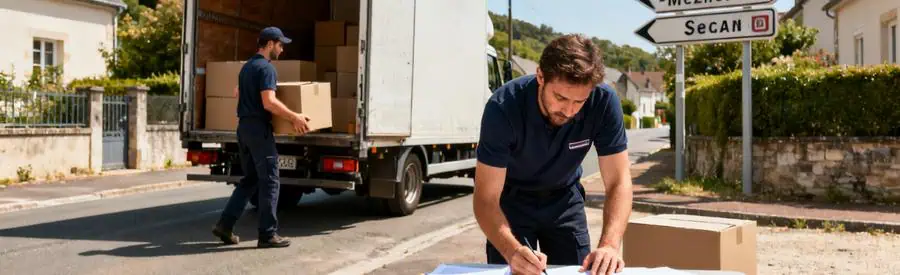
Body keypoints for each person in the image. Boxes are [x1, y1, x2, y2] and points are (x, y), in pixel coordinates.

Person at [473, 34, 633, 275]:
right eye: (560, 97)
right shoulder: (503, 107)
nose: (569, 110)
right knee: (516, 268)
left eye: (579, 101)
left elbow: (619, 181)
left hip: (564, 201)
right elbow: (485, 199)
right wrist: (512, 251)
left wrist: (610, 246)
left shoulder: (604, 102)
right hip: (512, 203)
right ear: (540, 76)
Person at [211, 26, 311, 248]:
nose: (282, 50)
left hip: (243, 129)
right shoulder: (267, 69)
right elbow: (269, 102)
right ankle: (267, 234)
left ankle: (225, 225)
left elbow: (237, 92)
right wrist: (294, 117)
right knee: (271, 181)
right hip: (258, 130)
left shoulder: (246, 67)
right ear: (269, 44)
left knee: (250, 180)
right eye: (280, 44)